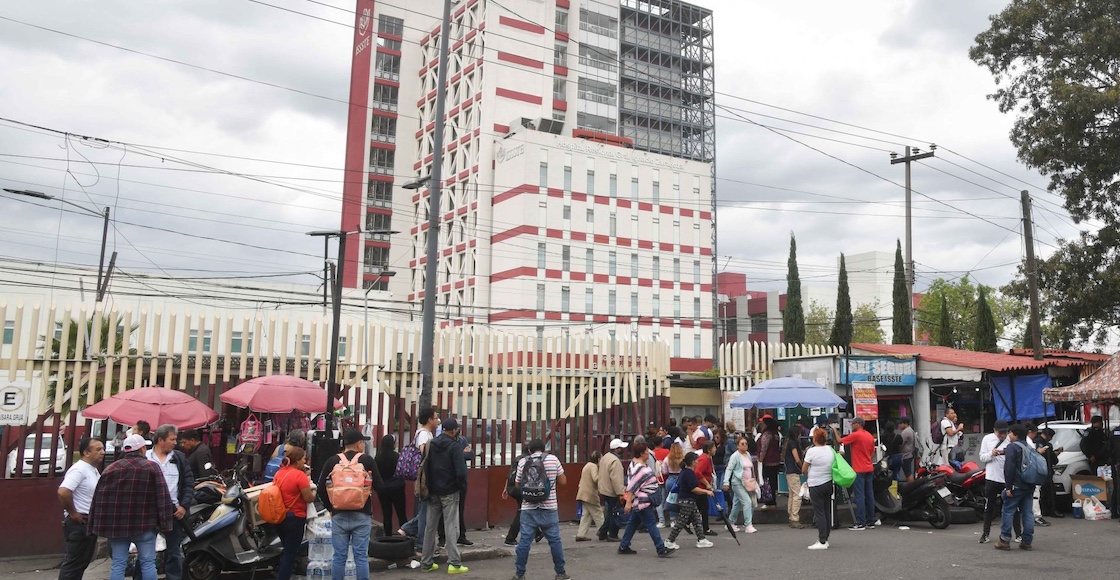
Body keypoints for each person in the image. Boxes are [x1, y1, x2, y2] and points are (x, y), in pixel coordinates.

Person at [88, 434, 174, 580]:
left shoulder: (111, 469)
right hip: (145, 525)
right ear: (141, 449)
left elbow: (98, 499)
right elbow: (163, 497)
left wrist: (92, 526)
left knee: (118, 563)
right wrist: (166, 525)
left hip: (118, 527)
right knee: (148, 563)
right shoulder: (152, 468)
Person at [317, 429, 382, 580]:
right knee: (361, 557)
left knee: (339, 557)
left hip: (338, 515)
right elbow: (380, 486)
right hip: (362, 514)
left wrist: (330, 507)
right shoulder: (367, 461)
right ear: (359, 444)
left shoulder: (332, 461)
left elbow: (320, 487)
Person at [511, 438, 570, 580]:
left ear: (529, 450)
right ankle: (561, 573)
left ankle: (519, 574)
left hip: (528, 508)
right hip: (549, 507)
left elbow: (517, 485)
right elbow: (563, 481)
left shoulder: (523, 462)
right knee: (555, 541)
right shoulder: (553, 459)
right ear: (544, 449)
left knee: (524, 542)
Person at [419, 418, 468, 574]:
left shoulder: (431, 444)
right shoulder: (455, 447)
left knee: (430, 528)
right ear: (454, 431)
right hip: (450, 491)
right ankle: (454, 563)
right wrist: (461, 487)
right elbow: (461, 472)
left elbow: (426, 466)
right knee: (451, 527)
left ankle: (426, 563)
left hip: (433, 492)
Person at [146, 424, 195, 580]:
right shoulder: (145, 458)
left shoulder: (178, 458)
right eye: (172, 439)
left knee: (174, 552)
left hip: (174, 512)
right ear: (161, 440)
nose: (176, 443)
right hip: (149, 513)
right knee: (146, 551)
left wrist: (184, 506)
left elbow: (188, 483)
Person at [617, 440, 676, 558]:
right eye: (646, 452)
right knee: (650, 523)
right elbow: (632, 486)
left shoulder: (635, 465)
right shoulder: (639, 468)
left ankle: (624, 545)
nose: (648, 454)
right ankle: (660, 548)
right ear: (642, 454)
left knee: (633, 523)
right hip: (643, 501)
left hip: (640, 500)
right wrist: (628, 502)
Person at [57, 437, 104, 580]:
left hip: (89, 523)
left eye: (102, 448)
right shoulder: (79, 470)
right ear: (86, 452)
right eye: (98, 449)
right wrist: (73, 513)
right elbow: (63, 491)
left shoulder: (93, 470)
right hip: (79, 523)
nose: (102, 452)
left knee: (82, 562)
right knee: (73, 564)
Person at [398, 408, 440, 548]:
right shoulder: (423, 434)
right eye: (435, 417)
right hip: (424, 478)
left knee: (425, 509)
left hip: (426, 476)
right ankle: (417, 539)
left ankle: (407, 530)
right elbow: (425, 454)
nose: (438, 419)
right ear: (429, 419)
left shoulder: (426, 433)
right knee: (425, 510)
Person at [274, 445, 316, 580]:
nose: (305, 461)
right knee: (290, 554)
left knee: (286, 550)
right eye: (303, 459)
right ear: (297, 460)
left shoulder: (279, 473)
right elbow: (309, 498)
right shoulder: (300, 476)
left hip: (280, 516)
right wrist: (314, 491)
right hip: (296, 518)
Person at [978, 420, 1021, 544]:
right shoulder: (987, 439)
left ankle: (1018, 534)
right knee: (989, 507)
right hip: (992, 478)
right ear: (994, 430)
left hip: (1007, 479)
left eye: (1004, 432)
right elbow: (982, 457)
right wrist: (991, 453)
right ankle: (985, 534)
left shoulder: (1010, 440)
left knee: (1013, 507)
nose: (1002, 435)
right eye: (1000, 433)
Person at [996, 424, 1037, 551]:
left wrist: (1008, 486)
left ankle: (1004, 540)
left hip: (1016, 485)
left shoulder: (1012, 447)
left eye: (1010, 433)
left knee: (1008, 511)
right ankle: (1027, 541)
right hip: (1029, 484)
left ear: (1015, 434)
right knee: (1028, 513)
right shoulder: (1029, 447)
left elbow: (1009, 468)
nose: (1009, 435)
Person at [662, 452, 713, 550]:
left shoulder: (684, 471)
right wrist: (706, 492)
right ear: (693, 462)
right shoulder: (690, 473)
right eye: (696, 460)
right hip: (687, 500)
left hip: (688, 500)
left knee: (697, 519)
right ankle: (669, 541)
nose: (698, 462)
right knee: (681, 522)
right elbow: (694, 489)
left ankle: (701, 539)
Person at [438, 424, 475, 547]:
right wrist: (459, 453)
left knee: (460, 508)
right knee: (443, 511)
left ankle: (461, 536)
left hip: (461, 480)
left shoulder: (462, 440)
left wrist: (456, 454)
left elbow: (470, 455)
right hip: (446, 480)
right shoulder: (440, 441)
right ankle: (442, 537)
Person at [802, 427, 835, 550]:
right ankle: (825, 537)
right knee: (826, 511)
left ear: (814, 438)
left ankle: (822, 541)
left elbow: (804, 469)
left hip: (816, 484)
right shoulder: (830, 450)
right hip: (828, 482)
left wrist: (808, 476)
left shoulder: (811, 451)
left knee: (819, 512)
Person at [502, 447, 543, 547]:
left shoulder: (517, 459)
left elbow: (509, 475)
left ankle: (537, 533)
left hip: (512, 489)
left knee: (527, 510)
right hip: (521, 489)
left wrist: (505, 489)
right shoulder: (528, 461)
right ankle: (510, 538)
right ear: (530, 451)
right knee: (522, 512)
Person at [840, 417, 876, 530]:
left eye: (853, 423)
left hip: (859, 469)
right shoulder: (869, 435)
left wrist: (834, 430)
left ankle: (861, 522)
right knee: (869, 495)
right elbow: (873, 452)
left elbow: (840, 440)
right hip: (869, 467)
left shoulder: (856, 435)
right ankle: (871, 520)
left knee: (860, 496)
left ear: (858, 424)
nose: (851, 425)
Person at [374, 434, 407, 537]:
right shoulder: (397, 456)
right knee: (401, 512)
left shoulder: (377, 457)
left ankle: (387, 535)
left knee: (386, 513)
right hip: (397, 487)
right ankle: (404, 534)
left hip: (383, 488)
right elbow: (402, 471)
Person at [723, 433, 756, 533]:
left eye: (746, 443)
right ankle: (748, 525)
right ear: (737, 446)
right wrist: (726, 482)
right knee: (747, 502)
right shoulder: (735, 456)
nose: (745, 445)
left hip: (747, 482)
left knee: (737, 504)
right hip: (737, 482)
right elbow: (729, 469)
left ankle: (730, 523)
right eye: (742, 444)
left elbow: (751, 468)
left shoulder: (748, 454)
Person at [597, 438, 627, 541]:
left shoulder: (605, 457)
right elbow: (616, 479)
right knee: (614, 513)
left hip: (604, 489)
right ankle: (612, 534)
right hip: (612, 491)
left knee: (610, 513)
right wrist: (620, 493)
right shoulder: (615, 461)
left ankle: (603, 531)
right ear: (617, 449)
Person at [575, 451, 604, 541]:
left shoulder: (587, 465)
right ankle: (603, 532)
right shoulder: (593, 466)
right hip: (590, 494)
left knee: (586, 515)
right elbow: (595, 478)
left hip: (583, 493)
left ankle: (581, 534)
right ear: (598, 459)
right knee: (598, 513)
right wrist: (603, 476)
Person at [1036, 428, 1064, 519]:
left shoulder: (1036, 442)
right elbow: (1051, 458)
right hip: (1045, 470)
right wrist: (1055, 455)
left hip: (1039, 470)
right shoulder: (1045, 445)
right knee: (1050, 492)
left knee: (1043, 492)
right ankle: (1052, 510)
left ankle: (1045, 510)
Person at [782, 423, 805, 528]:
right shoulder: (793, 444)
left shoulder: (787, 442)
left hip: (788, 471)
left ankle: (791, 515)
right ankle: (795, 517)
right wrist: (802, 466)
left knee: (792, 494)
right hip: (794, 471)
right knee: (797, 495)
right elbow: (797, 459)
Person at [694, 441, 718, 536]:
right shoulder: (704, 459)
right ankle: (706, 528)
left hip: (702, 486)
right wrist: (706, 483)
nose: (715, 449)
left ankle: (687, 522)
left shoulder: (708, 458)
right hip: (701, 487)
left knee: (699, 507)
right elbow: (697, 472)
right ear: (709, 450)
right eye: (713, 448)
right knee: (704, 508)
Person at [757, 418, 781, 509]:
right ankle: (772, 500)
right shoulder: (776, 434)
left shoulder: (767, 434)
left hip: (768, 461)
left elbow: (764, 448)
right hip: (776, 460)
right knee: (773, 481)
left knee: (767, 481)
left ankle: (769, 501)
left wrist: (761, 458)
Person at [660, 442, 684, 527]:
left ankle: (672, 520)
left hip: (670, 479)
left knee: (671, 500)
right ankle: (683, 519)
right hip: (681, 479)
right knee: (683, 500)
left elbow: (664, 471)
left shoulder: (667, 459)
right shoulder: (683, 459)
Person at [898, 417, 916, 482]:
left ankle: (911, 486)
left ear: (905, 424)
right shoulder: (910, 430)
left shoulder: (905, 432)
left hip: (906, 455)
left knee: (908, 473)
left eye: (901, 423)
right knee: (908, 472)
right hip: (910, 454)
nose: (899, 425)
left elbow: (900, 443)